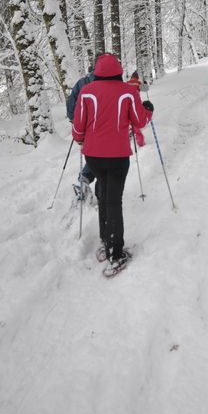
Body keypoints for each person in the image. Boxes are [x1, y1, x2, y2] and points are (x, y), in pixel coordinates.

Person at [72, 54, 153, 274]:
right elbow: (139, 120)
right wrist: (149, 110)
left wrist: (80, 139)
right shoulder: (128, 91)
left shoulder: (87, 92)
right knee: (113, 200)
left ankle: (105, 241)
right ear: (119, 70)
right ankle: (115, 254)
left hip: (93, 157)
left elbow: (78, 125)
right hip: (117, 157)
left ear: (96, 71)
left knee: (103, 194)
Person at [66, 56, 106, 201]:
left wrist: (74, 121)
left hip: (85, 127)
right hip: (104, 127)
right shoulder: (111, 82)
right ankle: (97, 185)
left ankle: (84, 179)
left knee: (93, 154)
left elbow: (71, 105)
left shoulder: (81, 83)